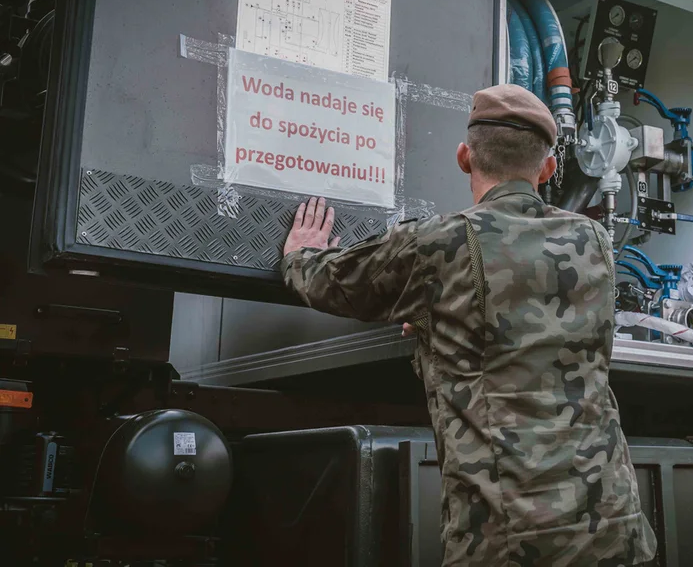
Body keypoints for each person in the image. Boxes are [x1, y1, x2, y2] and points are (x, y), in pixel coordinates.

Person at [280, 83, 658, 566]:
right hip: (615, 528)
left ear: (465, 157)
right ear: (546, 168)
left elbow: (331, 283)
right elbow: (539, 331)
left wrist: (299, 256)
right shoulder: (595, 239)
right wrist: (442, 321)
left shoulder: (438, 243)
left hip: (509, 540)